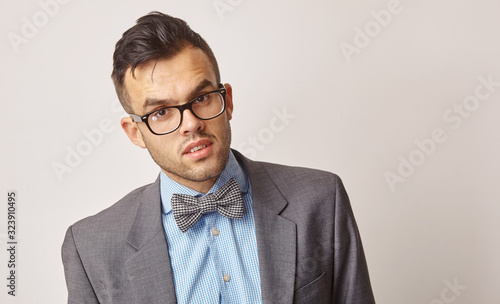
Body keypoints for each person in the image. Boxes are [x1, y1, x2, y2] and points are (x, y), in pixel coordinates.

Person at [61, 11, 375, 304]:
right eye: (161, 112)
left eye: (201, 98)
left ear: (228, 99)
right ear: (135, 132)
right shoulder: (90, 247)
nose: (191, 123)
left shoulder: (321, 200)